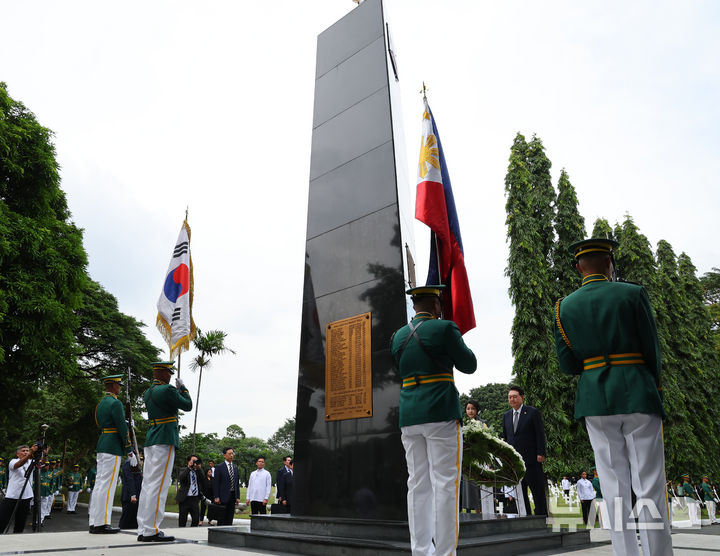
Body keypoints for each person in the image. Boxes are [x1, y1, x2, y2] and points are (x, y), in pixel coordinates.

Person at [554, 238, 672, 555]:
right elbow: (652, 350)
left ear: (579, 267)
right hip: (636, 391)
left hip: (595, 398)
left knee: (612, 488)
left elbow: (567, 365)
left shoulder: (564, 307)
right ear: (609, 262)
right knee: (648, 485)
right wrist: (654, 386)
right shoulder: (632, 294)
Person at [390, 285, 477, 556]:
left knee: (417, 485)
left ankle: (420, 551)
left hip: (409, 415)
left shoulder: (398, 336)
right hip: (440, 412)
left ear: (415, 306)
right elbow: (469, 364)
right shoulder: (444, 329)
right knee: (446, 484)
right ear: (437, 305)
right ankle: (445, 553)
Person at [136, 361, 192, 542]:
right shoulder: (167, 390)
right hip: (164, 439)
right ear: (162, 373)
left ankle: (143, 528)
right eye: (169, 372)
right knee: (159, 486)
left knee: (148, 486)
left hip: (152, 439)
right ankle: (152, 530)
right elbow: (188, 405)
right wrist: (183, 388)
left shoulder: (148, 391)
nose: (170, 375)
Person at [89, 374, 135, 534]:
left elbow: (98, 423)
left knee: (100, 484)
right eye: (118, 384)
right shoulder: (115, 403)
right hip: (113, 446)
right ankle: (102, 523)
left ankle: (94, 521)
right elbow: (122, 428)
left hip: (103, 443)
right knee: (107, 486)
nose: (120, 387)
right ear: (112, 385)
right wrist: (129, 449)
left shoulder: (101, 403)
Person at [501, 385, 548, 516]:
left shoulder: (532, 412)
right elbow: (506, 438)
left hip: (532, 459)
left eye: (515, 397)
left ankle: (541, 517)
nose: (512, 399)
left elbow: (539, 433)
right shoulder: (506, 416)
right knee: (519, 492)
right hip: (515, 462)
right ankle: (525, 516)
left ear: (522, 397)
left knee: (537, 490)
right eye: (510, 397)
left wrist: (541, 452)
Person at [0, 444, 39, 533]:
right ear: (18, 454)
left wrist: (43, 454)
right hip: (12, 496)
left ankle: (16, 540)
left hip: (26, 497)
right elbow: (19, 464)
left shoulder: (30, 462)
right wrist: (31, 453)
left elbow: (41, 463)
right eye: (23, 451)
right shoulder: (13, 461)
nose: (26, 452)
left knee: (20, 522)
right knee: (3, 520)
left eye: (27, 450)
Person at [213, 447, 240, 526]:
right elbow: (216, 483)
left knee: (230, 518)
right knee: (221, 519)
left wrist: (237, 496)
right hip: (222, 497)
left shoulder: (235, 468)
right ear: (224, 455)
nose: (231, 455)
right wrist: (216, 496)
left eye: (232, 453)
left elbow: (236, 483)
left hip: (232, 496)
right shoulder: (219, 467)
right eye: (229, 454)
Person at [176, 455, 203, 527]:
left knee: (196, 519)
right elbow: (182, 478)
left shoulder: (197, 472)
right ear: (189, 461)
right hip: (185, 498)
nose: (195, 463)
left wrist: (199, 469)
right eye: (193, 461)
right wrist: (189, 468)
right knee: (182, 519)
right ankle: (181, 534)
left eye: (196, 461)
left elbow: (203, 479)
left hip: (194, 499)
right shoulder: (183, 470)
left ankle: (192, 533)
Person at [118, 454, 143, 529]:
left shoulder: (137, 465)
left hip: (137, 495)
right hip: (130, 496)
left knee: (134, 520)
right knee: (126, 519)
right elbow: (130, 480)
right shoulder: (128, 463)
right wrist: (133, 495)